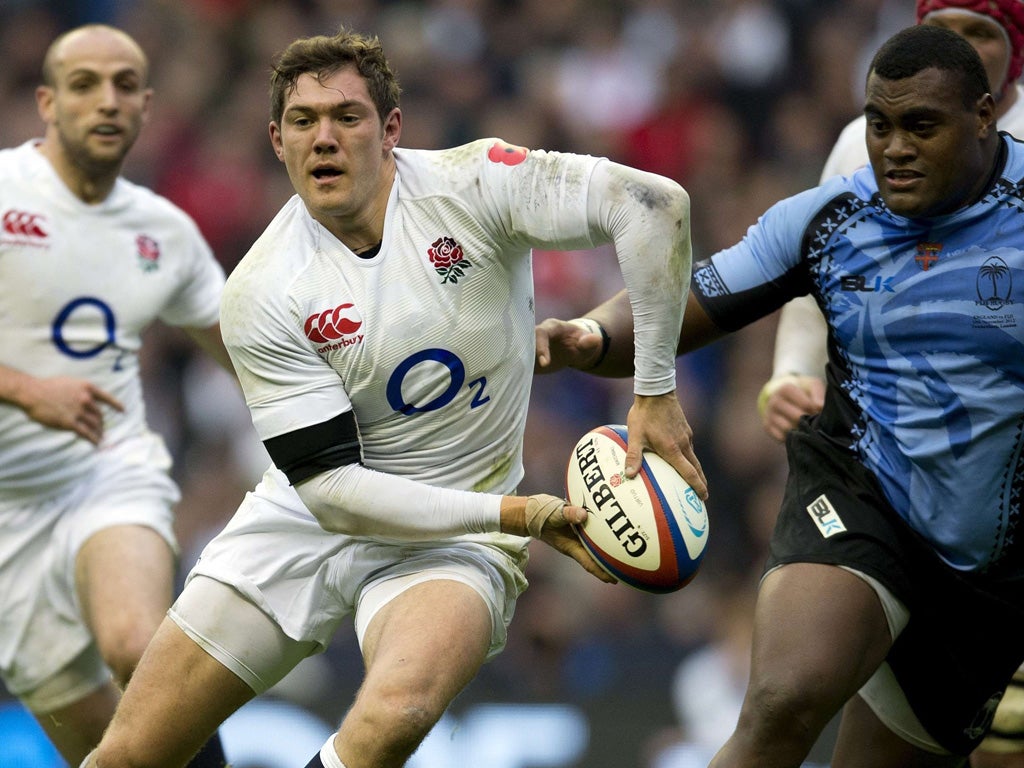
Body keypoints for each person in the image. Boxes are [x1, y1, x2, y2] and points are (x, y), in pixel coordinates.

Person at [82, 25, 702, 768]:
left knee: (398, 712)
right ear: (276, 141)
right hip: (312, 514)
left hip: (454, 533)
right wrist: (519, 514)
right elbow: (336, 492)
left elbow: (652, 204)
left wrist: (654, 391)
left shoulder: (475, 186)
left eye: (348, 117)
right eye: (304, 123)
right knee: (129, 754)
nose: (325, 140)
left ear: (392, 129)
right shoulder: (262, 290)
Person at [536, 23, 1024, 768]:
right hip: (861, 497)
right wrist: (592, 339)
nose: (894, 148)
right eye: (879, 125)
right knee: (783, 702)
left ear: (985, 116)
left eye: (921, 126)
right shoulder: (832, 219)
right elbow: (691, 298)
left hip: (990, 569)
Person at [757, 3, 1024, 765]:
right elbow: (814, 272)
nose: (962, 47)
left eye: (984, 35)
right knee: (805, 701)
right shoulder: (862, 143)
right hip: (887, 477)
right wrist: (788, 375)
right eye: (946, 27)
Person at [0, 24, 232, 767]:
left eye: (125, 86)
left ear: (146, 106)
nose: (107, 101)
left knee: (139, 645)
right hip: (8, 517)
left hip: (109, 469)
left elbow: (252, 356)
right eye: (85, 84)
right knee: (118, 751)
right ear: (46, 101)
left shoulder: (164, 232)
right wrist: (22, 388)